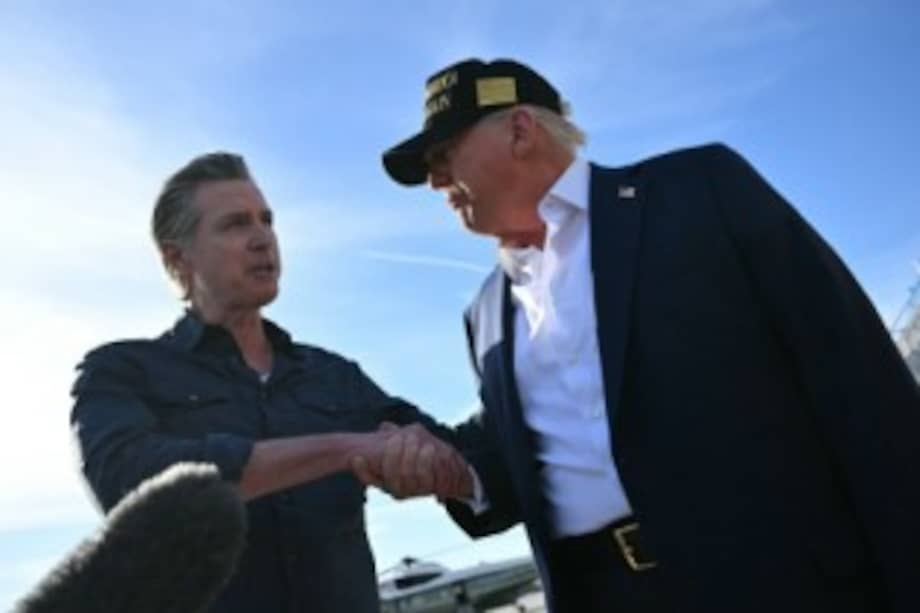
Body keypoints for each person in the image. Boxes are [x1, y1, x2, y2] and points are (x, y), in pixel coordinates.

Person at [372, 58, 920, 613]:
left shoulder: (700, 192)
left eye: (444, 155)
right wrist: (452, 474)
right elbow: (514, 467)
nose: (436, 181)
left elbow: (862, 385)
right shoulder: (484, 313)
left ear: (519, 129)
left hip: (779, 580)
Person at [70, 152, 471, 613]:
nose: (262, 239)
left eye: (267, 220)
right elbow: (128, 484)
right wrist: (343, 449)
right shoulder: (122, 371)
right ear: (177, 256)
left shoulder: (334, 377)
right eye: (236, 224)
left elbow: (458, 456)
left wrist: (420, 460)